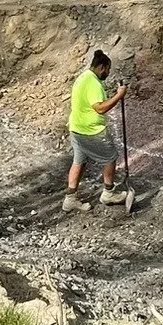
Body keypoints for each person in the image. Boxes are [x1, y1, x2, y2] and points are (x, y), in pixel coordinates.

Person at [63, 49, 126, 212]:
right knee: (110, 158)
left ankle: (70, 199)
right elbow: (100, 108)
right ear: (101, 67)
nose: (108, 73)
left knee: (79, 162)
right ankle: (108, 193)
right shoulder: (94, 83)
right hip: (90, 131)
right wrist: (119, 96)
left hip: (76, 129)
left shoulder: (83, 77)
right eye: (108, 69)